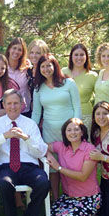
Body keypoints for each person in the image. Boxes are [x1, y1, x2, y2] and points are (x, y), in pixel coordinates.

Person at [0, 89, 50, 216]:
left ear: (22, 105)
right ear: (4, 105)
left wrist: (26, 138)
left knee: (43, 182)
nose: (13, 107)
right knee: (4, 183)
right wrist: (4, 136)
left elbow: (41, 151)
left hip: (28, 166)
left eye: (16, 103)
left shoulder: (30, 124)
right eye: (9, 103)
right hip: (5, 166)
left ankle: (30, 215)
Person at [31, 53, 82, 201]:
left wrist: (76, 128)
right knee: (53, 167)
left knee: (70, 164)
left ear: (55, 66)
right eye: (42, 66)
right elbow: (36, 113)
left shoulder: (69, 83)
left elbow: (77, 107)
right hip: (49, 133)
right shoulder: (38, 88)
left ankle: (73, 196)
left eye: (49, 65)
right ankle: (55, 198)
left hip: (69, 133)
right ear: (38, 69)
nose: (46, 69)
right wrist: (30, 130)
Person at [46, 118, 101, 216]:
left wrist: (59, 168)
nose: (72, 133)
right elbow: (42, 147)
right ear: (64, 133)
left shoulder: (89, 149)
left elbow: (82, 176)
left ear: (82, 132)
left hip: (88, 197)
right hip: (69, 196)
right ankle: (82, 213)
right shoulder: (61, 146)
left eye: (76, 129)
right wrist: (48, 154)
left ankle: (92, 212)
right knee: (50, 215)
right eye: (69, 130)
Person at [62, 43, 97, 130]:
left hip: (85, 117)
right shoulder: (63, 72)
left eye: (82, 55)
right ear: (71, 57)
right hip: (65, 114)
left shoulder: (92, 76)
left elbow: (99, 96)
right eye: (76, 55)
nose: (79, 58)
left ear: (86, 57)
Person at [5, 37, 32, 117]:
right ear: (9, 49)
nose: (16, 51)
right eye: (14, 48)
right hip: (8, 110)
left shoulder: (26, 68)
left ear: (22, 53)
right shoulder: (2, 68)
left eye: (19, 50)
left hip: (25, 110)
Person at [27, 39, 49, 109]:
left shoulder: (47, 72)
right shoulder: (28, 71)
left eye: (38, 53)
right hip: (31, 110)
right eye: (32, 52)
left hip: (46, 110)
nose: (34, 55)